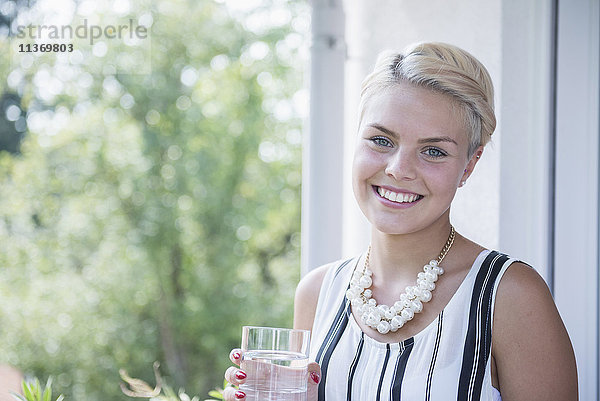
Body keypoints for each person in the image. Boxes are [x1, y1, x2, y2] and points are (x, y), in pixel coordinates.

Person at [222, 42, 578, 400]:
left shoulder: (509, 295)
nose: (398, 170)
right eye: (381, 140)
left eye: (433, 151)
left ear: (469, 165)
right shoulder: (317, 293)